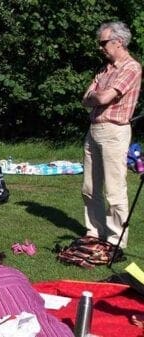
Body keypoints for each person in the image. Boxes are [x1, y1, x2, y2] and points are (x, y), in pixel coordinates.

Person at [81, 21, 142, 252]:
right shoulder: (104, 69)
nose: (100, 47)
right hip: (94, 129)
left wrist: (95, 96)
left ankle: (116, 240)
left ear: (118, 42)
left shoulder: (131, 67)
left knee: (115, 190)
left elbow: (103, 97)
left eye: (103, 42)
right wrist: (95, 96)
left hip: (114, 131)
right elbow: (85, 98)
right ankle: (94, 233)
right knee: (89, 187)